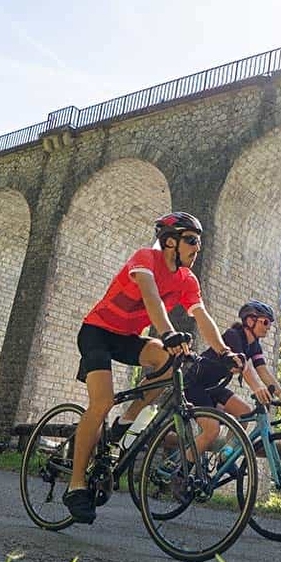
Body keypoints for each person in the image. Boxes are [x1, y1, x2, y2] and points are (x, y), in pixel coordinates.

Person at [65, 212, 242, 525]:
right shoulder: (145, 258)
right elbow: (151, 298)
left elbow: (202, 315)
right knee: (102, 401)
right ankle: (76, 484)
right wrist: (167, 331)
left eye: (199, 243)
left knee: (171, 361)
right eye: (191, 241)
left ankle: (128, 418)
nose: (197, 248)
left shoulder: (187, 280)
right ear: (170, 242)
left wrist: (224, 351)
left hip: (128, 339)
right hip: (97, 332)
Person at [183, 300, 281, 452]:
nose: (269, 327)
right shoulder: (233, 336)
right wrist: (257, 388)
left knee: (245, 413)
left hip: (214, 387)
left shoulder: (254, 345)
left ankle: (225, 457)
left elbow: (263, 370)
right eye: (266, 322)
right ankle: (181, 472)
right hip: (195, 385)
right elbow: (244, 366)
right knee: (212, 430)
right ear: (250, 320)